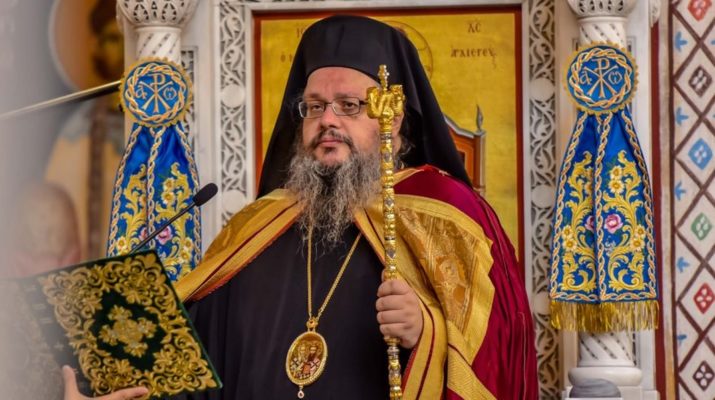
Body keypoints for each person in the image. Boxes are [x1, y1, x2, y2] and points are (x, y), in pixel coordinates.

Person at [64, 15, 537, 400]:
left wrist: (425, 332)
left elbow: (501, 353)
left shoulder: (449, 213)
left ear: (391, 120)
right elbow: (195, 371)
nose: (327, 120)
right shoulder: (257, 227)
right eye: (313, 107)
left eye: (348, 105)